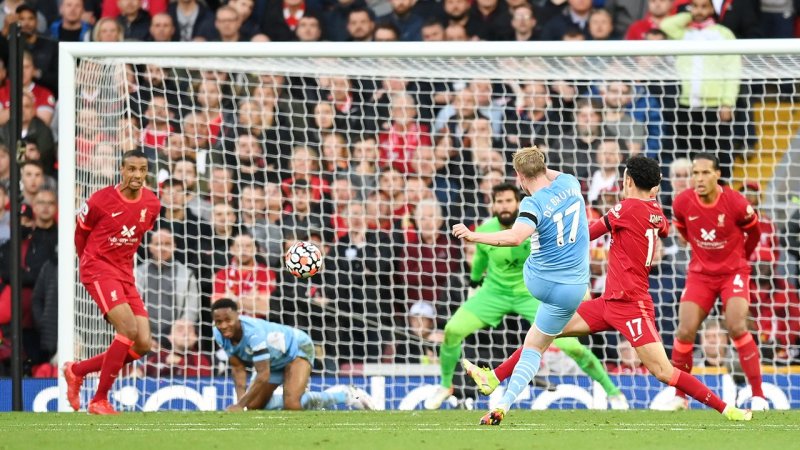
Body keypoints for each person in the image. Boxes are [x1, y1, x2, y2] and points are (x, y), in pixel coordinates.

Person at [462, 155, 753, 423]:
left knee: (664, 371)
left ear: (627, 181)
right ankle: (493, 378)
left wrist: (551, 235)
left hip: (632, 306)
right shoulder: (656, 212)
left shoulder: (624, 209)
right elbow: (662, 228)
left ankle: (727, 409)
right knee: (541, 334)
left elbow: (587, 234)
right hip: (608, 302)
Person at [425, 182, 628, 410]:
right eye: (499, 201)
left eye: (509, 201)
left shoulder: (536, 227)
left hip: (530, 295)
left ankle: (613, 392)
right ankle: (445, 386)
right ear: (493, 205)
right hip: (494, 293)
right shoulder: (486, 229)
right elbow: (480, 261)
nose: (504, 206)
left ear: (519, 203)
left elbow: (561, 257)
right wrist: (473, 284)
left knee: (573, 347)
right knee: (452, 330)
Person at [451, 146, 592, 425]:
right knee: (535, 346)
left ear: (518, 176)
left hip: (541, 283)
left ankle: (499, 396)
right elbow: (543, 171)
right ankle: (501, 399)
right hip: (575, 288)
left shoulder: (531, 203)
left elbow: (516, 237)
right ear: (543, 167)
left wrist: (473, 236)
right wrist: (536, 162)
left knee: (532, 343)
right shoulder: (570, 182)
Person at [63, 149, 162, 415]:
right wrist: (87, 262)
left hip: (124, 274)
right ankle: (99, 399)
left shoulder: (152, 204)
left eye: (142, 170)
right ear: (121, 170)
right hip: (98, 268)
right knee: (127, 329)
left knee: (142, 343)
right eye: (132, 169)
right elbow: (80, 234)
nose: (137, 175)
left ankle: (77, 370)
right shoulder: (100, 200)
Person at [667, 153, 767, 411]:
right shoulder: (682, 202)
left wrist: (741, 257)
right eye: (695, 173)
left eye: (704, 173)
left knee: (736, 326)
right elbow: (684, 232)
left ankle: (758, 396)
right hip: (700, 274)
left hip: (732, 273)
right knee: (685, 330)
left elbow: (754, 232)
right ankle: (680, 398)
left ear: (717, 174)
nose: (699, 178)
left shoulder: (735, 202)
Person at [211, 298, 374, 411]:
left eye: (228, 320)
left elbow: (263, 374)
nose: (224, 325)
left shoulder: (254, 334)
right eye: (219, 322)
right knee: (253, 406)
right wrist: (242, 405)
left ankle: (346, 394)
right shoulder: (218, 334)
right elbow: (238, 368)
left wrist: (239, 405)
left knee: (292, 404)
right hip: (274, 360)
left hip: (297, 349)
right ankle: (304, 396)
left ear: (238, 316)